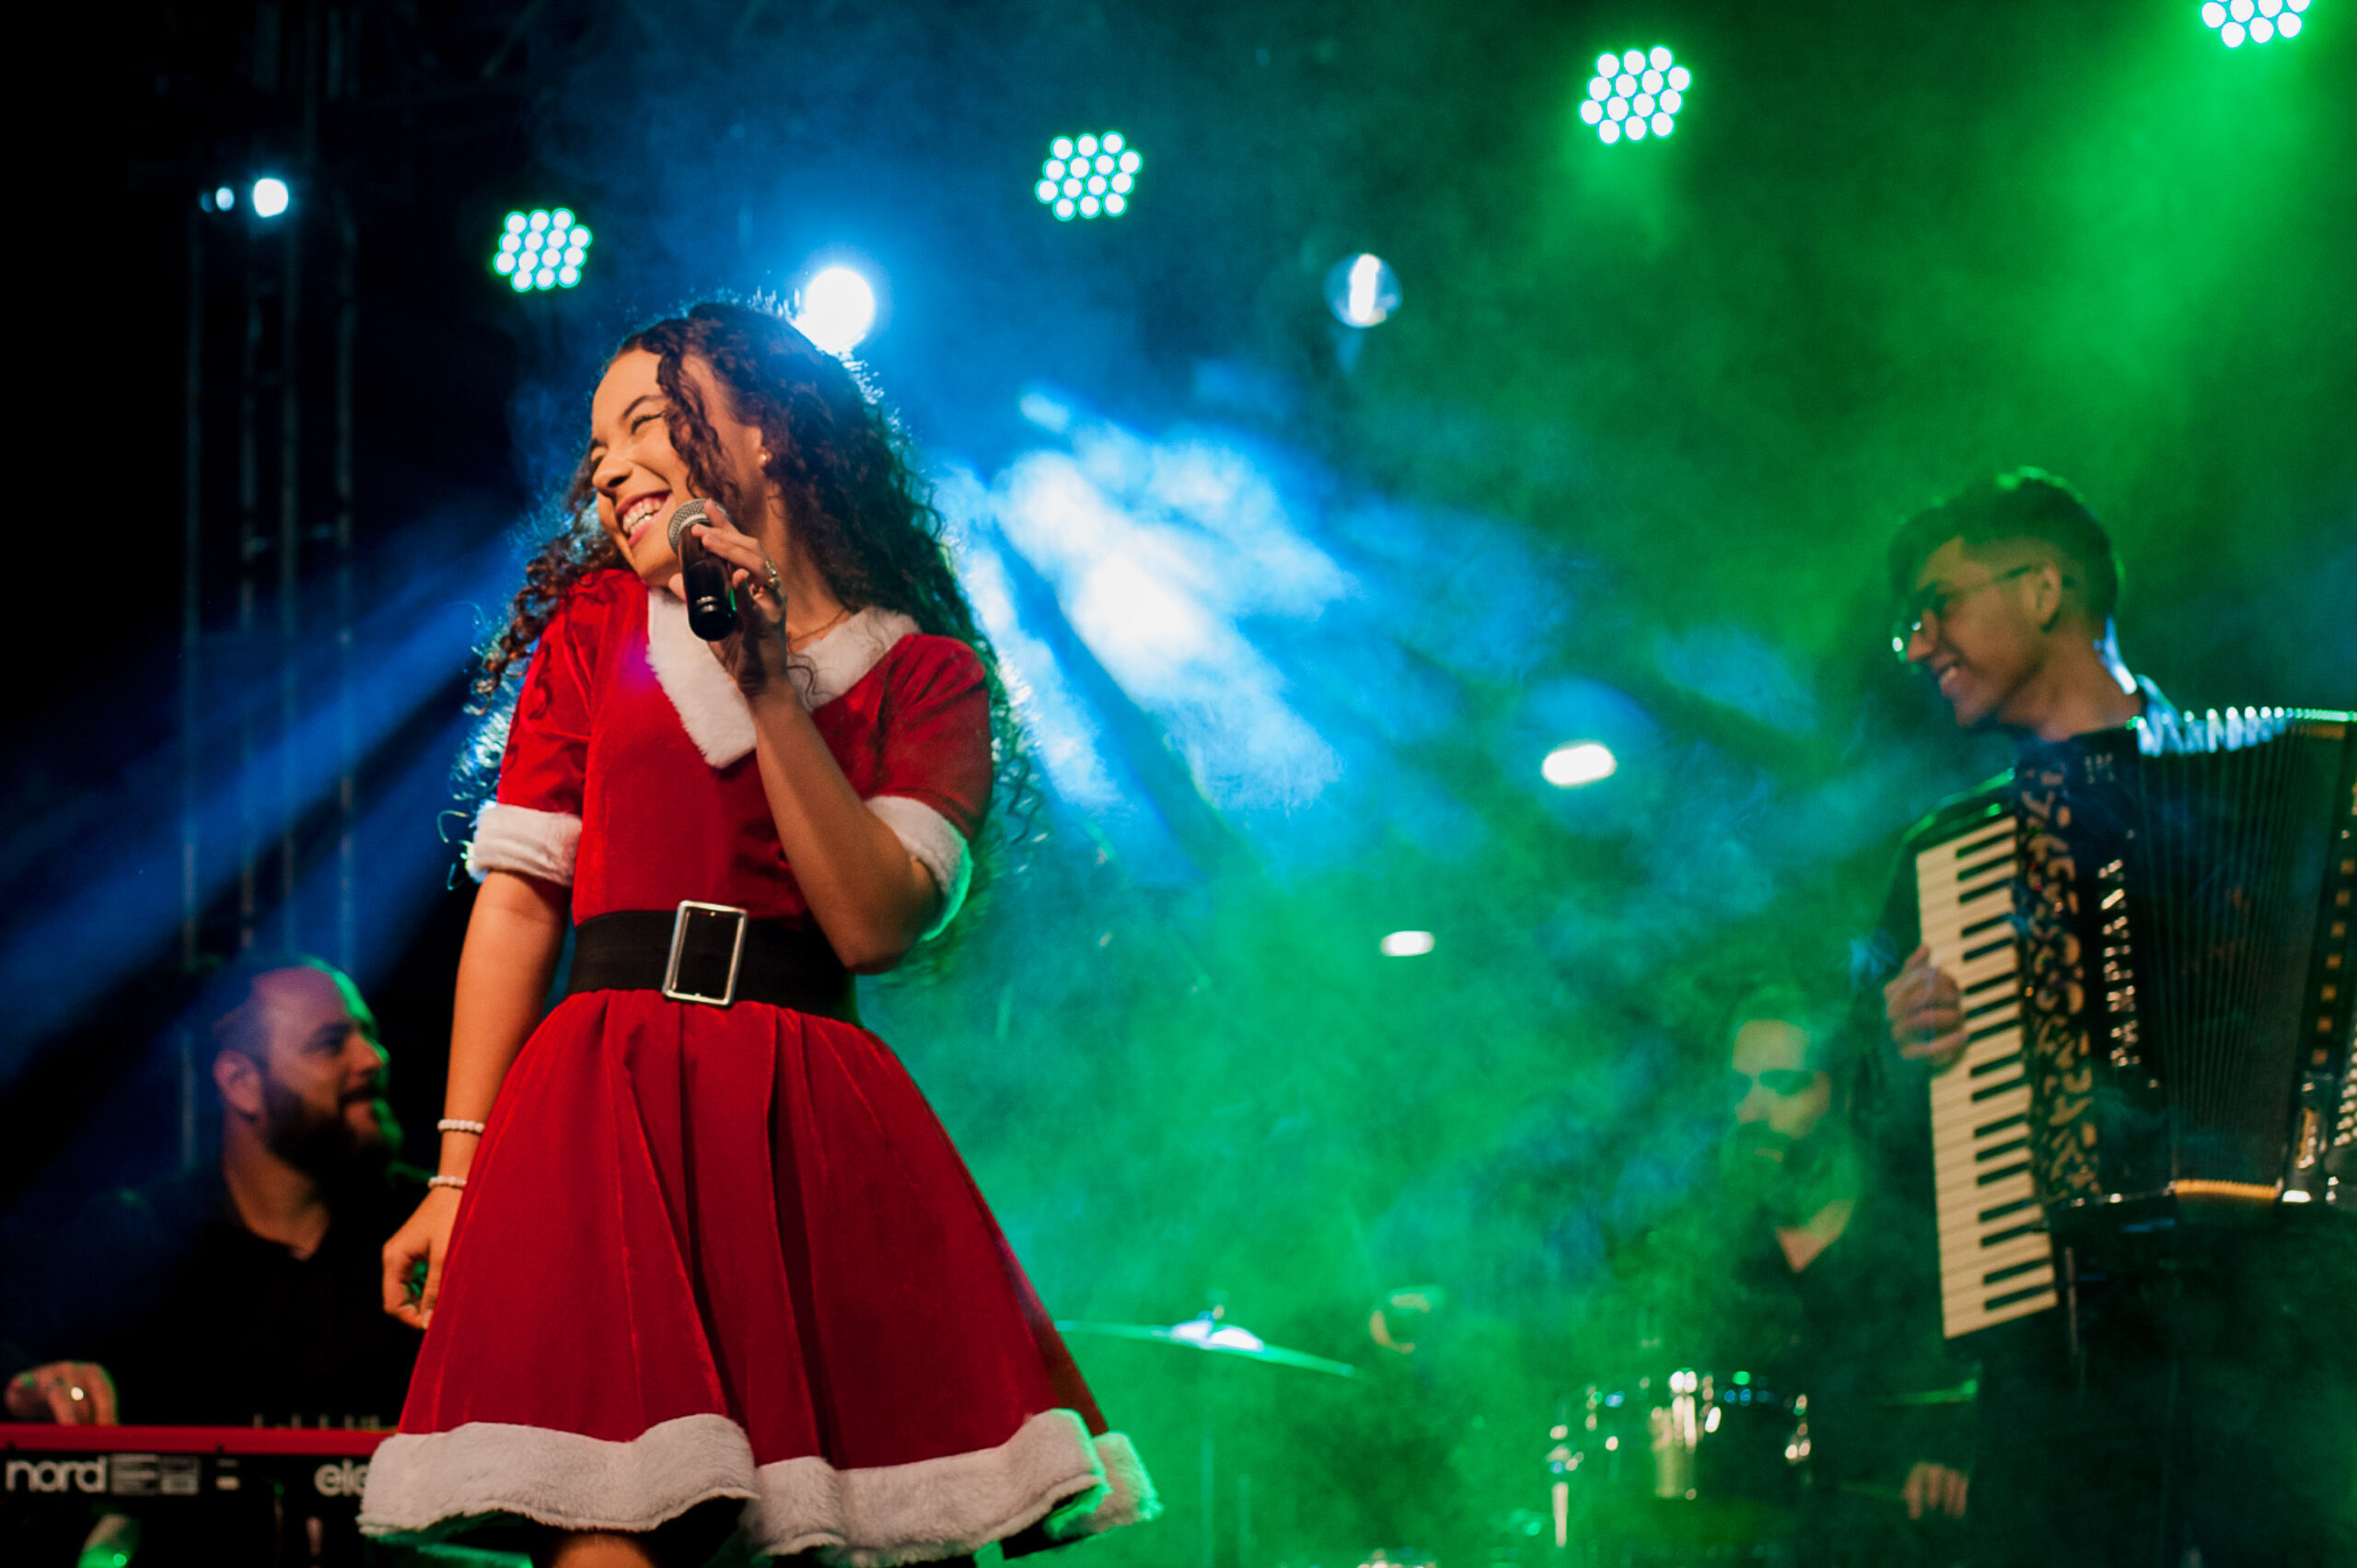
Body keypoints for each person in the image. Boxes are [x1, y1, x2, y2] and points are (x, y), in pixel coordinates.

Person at [358, 301, 1156, 1568]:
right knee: (607, 1518)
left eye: (643, 422)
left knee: (857, 1523)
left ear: (769, 433)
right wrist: (456, 1172)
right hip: (605, 1102)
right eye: (594, 442)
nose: (607, 464)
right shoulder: (593, 633)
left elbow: (873, 919)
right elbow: (517, 900)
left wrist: (769, 682)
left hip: (811, 1120)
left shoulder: (924, 672)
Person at [1873, 470, 2356, 1566]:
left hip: (2284, 1340)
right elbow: (1885, 1162)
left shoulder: (2300, 781)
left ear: (2043, 588)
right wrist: (1903, 1056)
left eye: (1934, 604)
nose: (1915, 645)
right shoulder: (1947, 858)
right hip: (2064, 1360)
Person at [5, 954, 422, 1427]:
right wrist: (30, 1385)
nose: (373, 1057)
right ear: (240, 1084)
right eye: (330, 1044)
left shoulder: (429, 1219)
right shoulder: (131, 1237)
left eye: (366, 1033)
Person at [1717, 984, 1968, 1565]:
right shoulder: (1718, 1263)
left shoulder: (1924, 1253)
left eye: (1783, 1084)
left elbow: (1978, 1401)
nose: (1752, 1111)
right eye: (1738, 1089)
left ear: (1845, 1093)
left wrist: (1953, 1459)